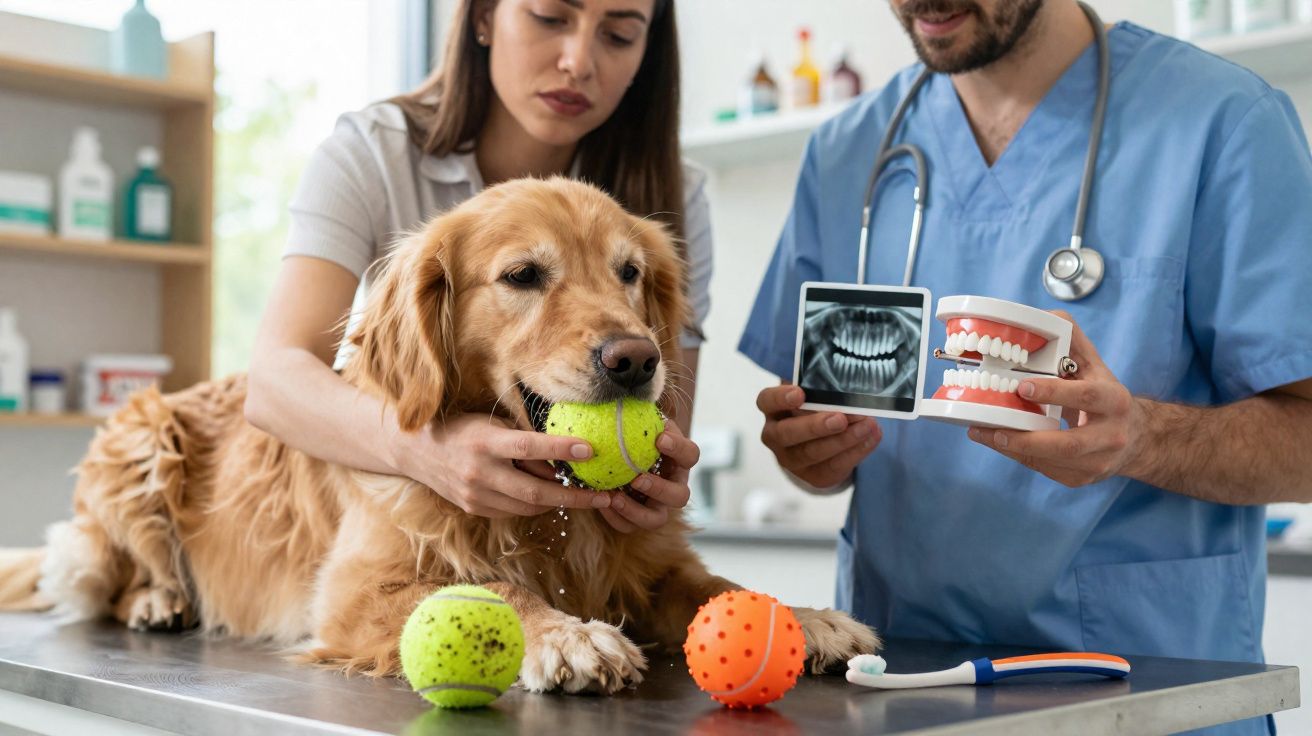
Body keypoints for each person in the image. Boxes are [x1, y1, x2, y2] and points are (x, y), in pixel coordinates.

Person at [739, 2, 1312, 734]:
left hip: (1148, 693)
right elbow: (816, 440)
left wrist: (1142, 438)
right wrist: (810, 456)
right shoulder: (848, 152)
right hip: (901, 691)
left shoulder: (1224, 123)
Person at [245, 0, 707, 534]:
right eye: (551, 17)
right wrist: (420, 449)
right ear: (484, 17)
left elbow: (671, 421)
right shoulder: (370, 153)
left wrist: (656, 478)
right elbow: (274, 378)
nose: (579, 61)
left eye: (620, 35)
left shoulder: (677, 191)